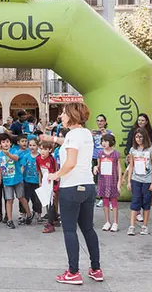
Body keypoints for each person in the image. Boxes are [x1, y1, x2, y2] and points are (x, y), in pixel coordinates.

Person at [45, 103, 102, 285]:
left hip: (71, 187)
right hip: (88, 186)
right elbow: (72, 145)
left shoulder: (72, 135)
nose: (61, 116)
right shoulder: (86, 133)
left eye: (63, 113)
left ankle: (73, 272)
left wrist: (55, 175)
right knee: (88, 229)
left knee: (69, 230)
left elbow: (70, 163)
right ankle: (96, 269)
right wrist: (53, 139)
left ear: (72, 115)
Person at [125, 128, 152, 236]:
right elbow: (131, 166)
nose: (138, 139)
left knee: (146, 202)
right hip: (136, 179)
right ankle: (132, 226)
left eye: (140, 136)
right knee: (135, 202)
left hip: (147, 180)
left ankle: (145, 226)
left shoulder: (151, 149)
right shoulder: (133, 150)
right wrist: (129, 181)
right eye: (136, 137)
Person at [94, 134, 122, 232]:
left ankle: (115, 222)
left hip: (113, 180)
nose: (104, 143)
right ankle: (107, 221)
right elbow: (98, 165)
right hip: (103, 180)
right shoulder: (100, 153)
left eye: (106, 141)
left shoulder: (115, 154)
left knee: (113, 201)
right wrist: (96, 168)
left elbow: (119, 168)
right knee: (105, 201)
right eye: (103, 141)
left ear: (111, 142)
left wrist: (119, 181)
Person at [37, 140, 59, 233]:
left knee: (51, 203)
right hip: (44, 183)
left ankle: (50, 224)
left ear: (50, 150)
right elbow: (39, 171)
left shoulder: (51, 159)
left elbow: (55, 172)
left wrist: (53, 188)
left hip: (52, 183)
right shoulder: (38, 159)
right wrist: (40, 182)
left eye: (45, 149)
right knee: (46, 202)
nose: (42, 151)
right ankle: (53, 219)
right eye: (41, 149)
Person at [23, 137, 42, 221]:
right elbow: (23, 167)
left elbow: (40, 171)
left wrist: (40, 181)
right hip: (27, 181)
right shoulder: (26, 156)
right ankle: (23, 214)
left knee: (37, 200)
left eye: (34, 145)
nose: (32, 147)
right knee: (25, 198)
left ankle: (38, 214)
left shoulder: (40, 157)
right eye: (30, 145)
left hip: (37, 182)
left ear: (38, 146)